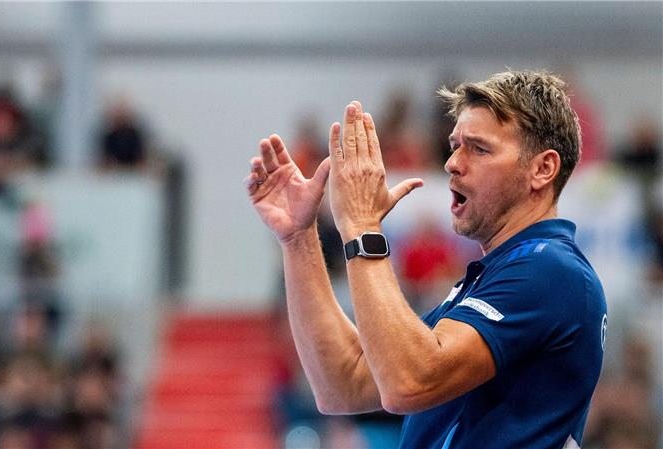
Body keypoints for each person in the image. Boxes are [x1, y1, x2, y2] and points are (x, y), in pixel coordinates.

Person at [244, 70, 606, 449]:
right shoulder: (492, 277)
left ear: (542, 169)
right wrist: (298, 238)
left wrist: (364, 225)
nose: (453, 162)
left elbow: (410, 382)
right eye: (455, 145)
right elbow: (342, 382)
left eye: (479, 149)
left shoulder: (549, 270)